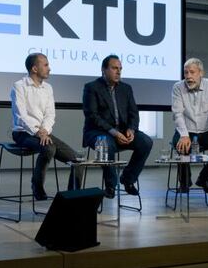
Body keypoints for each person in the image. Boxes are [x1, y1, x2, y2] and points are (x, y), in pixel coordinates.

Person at [11, 53, 83, 200]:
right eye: (46, 65)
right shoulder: (19, 86)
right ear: (34, 68)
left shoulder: (48, 88)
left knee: (78, 159)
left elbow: (50, 114)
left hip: (43, 132)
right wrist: (38, 132)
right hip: (23, 132)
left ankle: (72, 197)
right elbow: (21, 115)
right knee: (48, 148)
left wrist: (44, 131)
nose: (49, 68)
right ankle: (37, 186)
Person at [82, 54, 153, 199]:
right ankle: (111, 185)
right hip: (98, 132)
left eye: (120, 69)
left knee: (146, 142)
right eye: (114, 68)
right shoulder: (91, 87)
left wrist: (131, 130)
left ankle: (127, 179)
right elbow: (92, 116)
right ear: (103, 69)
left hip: (123, 132)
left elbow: (134, 113)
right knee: (106, 144)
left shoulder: (126, 88)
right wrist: (114, 133)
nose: (118, 72)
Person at [172, 57, 208, 193]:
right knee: (180, 146)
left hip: (206, 131)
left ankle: (204, 179)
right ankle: (185, 182)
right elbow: (178, 114)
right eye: (186, 73)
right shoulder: (177, 87)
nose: (188, 76)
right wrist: (184, 135)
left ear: (201, 73)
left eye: (192, 72)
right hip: (186, 131)